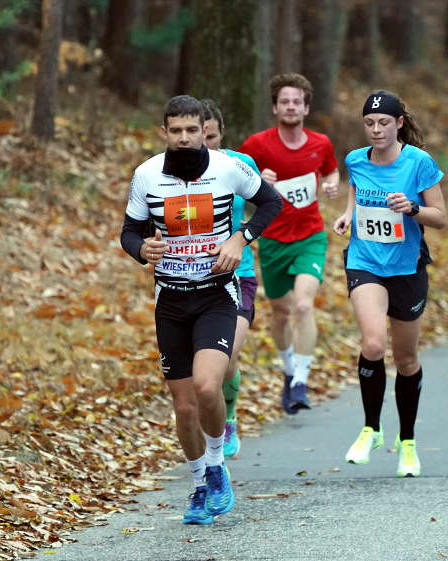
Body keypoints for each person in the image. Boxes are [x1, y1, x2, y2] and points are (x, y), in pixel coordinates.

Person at [120, 95, 282, 524]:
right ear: (165, 132)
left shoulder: (229, 167)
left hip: (215, 294)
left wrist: (239, 239)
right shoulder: (147, 174)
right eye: (177, 131)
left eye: (193, 130)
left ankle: (216, 466)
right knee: (184, 405)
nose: (186, 138)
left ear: (204, 129)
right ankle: (197, 486)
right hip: (170, 298)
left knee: (209, 388)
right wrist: (142, 248)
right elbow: (129, 231)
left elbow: (272, 203)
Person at [333, 91, 446, 477]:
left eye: (384, 122)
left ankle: (408, 442)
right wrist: (348, 214)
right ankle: (371, 428)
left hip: (407, 268)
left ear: (399, 123)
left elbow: (441, 217)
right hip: (366, 262)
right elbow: (356, 192)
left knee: (406, 358)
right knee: (372, 343)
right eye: (369, 123)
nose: (376, 130)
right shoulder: (355, 160)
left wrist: (412, 209)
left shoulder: (419, 163)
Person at [237, 74, 340, 414]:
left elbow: (330, 171)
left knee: (304, 305)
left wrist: (329, 185)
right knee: (280, 312)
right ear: (275, 107)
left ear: (306, 107)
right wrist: (257, 180)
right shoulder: (257, 145)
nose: (291, 106)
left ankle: (301, 382)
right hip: (272, 240)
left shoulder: (320, 143)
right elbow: (235, 181)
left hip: (310, 235)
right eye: (285, 101)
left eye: (297, 101)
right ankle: (287, 369)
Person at [201, 98, 261, 459]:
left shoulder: (241, 164)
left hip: (239, 272)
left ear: (221, 135)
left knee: (228, 355)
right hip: (196, 277)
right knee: (209, 366)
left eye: (211, 136)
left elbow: (268, 205)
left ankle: (230, 418)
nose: (204, 144)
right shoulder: (173, 171)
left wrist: (246, 233)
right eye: (198, 136)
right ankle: (212, 426)